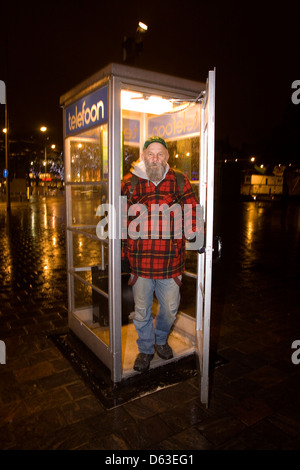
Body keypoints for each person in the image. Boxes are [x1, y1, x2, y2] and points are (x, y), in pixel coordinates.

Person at [121, 136, 201, 373]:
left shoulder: (178, 180)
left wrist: (198, 235)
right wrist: (123, 247)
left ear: (167, 157)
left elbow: (193, 212)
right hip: (141, 262)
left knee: (170, 308)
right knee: (142, 310)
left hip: (171, 262)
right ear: (143, 156)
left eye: (160, 154)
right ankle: (146, 349)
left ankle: (161, 339)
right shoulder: (129, 182)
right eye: (150, 154)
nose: (155, 159)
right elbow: (120, 219)